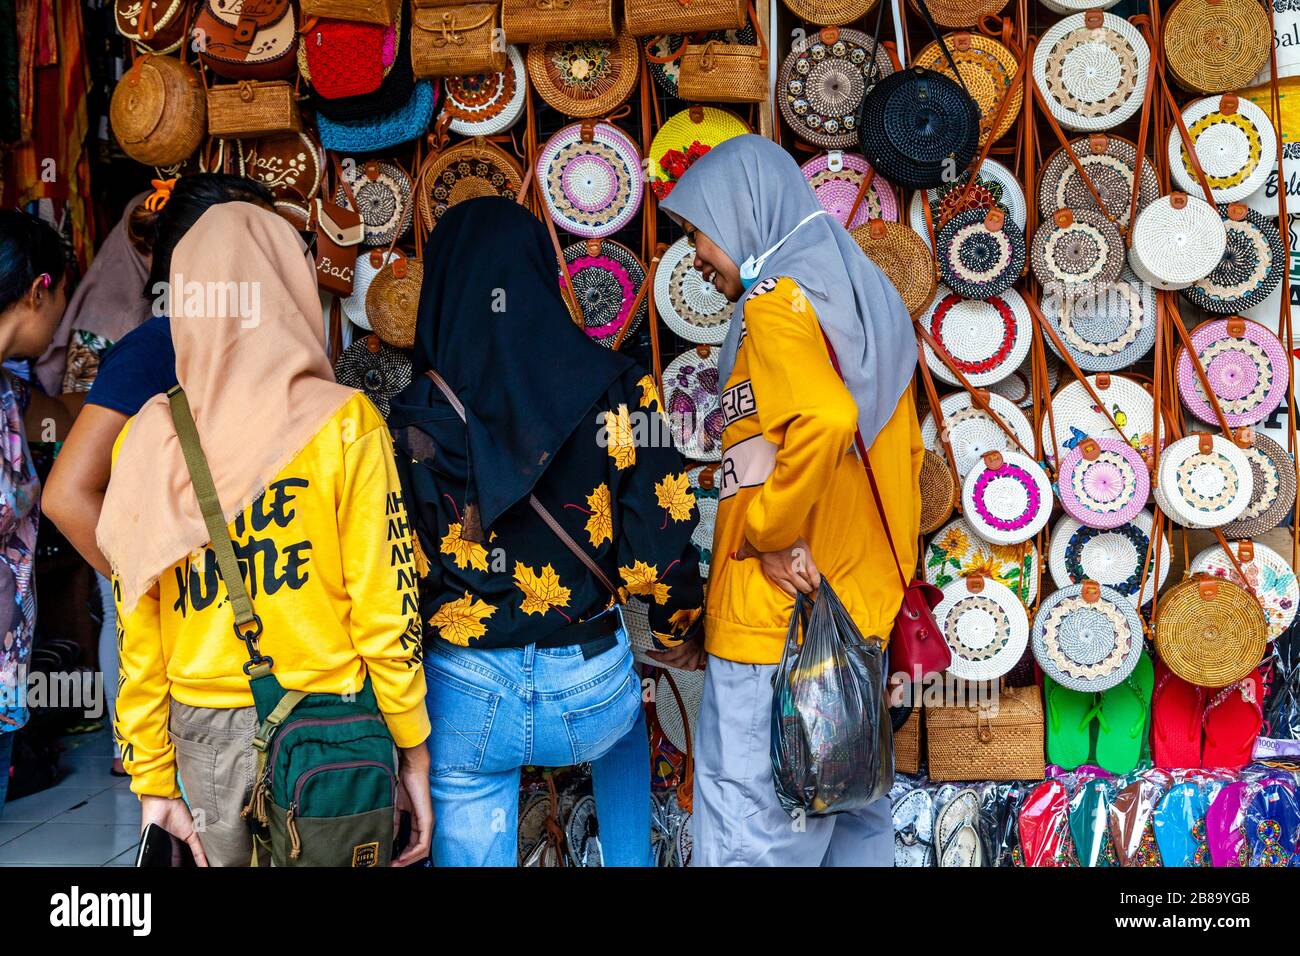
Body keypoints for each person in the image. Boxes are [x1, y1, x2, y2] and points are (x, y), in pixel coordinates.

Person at [97, 202, 431, 866]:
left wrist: (150, 775)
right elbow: (385, 606)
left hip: (202, 739)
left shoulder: (147, 437)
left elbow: (137, 618)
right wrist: (412, 746)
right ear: (289, 289)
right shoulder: (348, 423)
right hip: (332, 728)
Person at [387, 196, 706, 867]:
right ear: (542, 274)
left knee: (470, 790)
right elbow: (661, 542)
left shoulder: (409, 419)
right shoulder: (622, 388)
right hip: (587, 690)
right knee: (623, 726)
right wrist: (671, 637)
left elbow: (395, 570)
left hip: (463, 693)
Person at [659, 135, 922, 866]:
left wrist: (771, 530)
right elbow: (905, 457)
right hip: (853, 622)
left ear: (742, 211)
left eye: (696, 230)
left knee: (753, 838)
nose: (697, 256)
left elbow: (825, 420)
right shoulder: (865, 301)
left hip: (776, 628)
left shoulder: (777, 302)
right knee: (853, 830)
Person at [42, 175, 275, 776]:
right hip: (198, 630)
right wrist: (160, 583)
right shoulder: (155, 347)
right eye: (256, 237)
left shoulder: (264, 342)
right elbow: (68, 495)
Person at [0, 210, 82, 814]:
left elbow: (66, 418)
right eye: (62, 300)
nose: (61, 321)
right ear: (38, 291)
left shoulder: (12, 391)